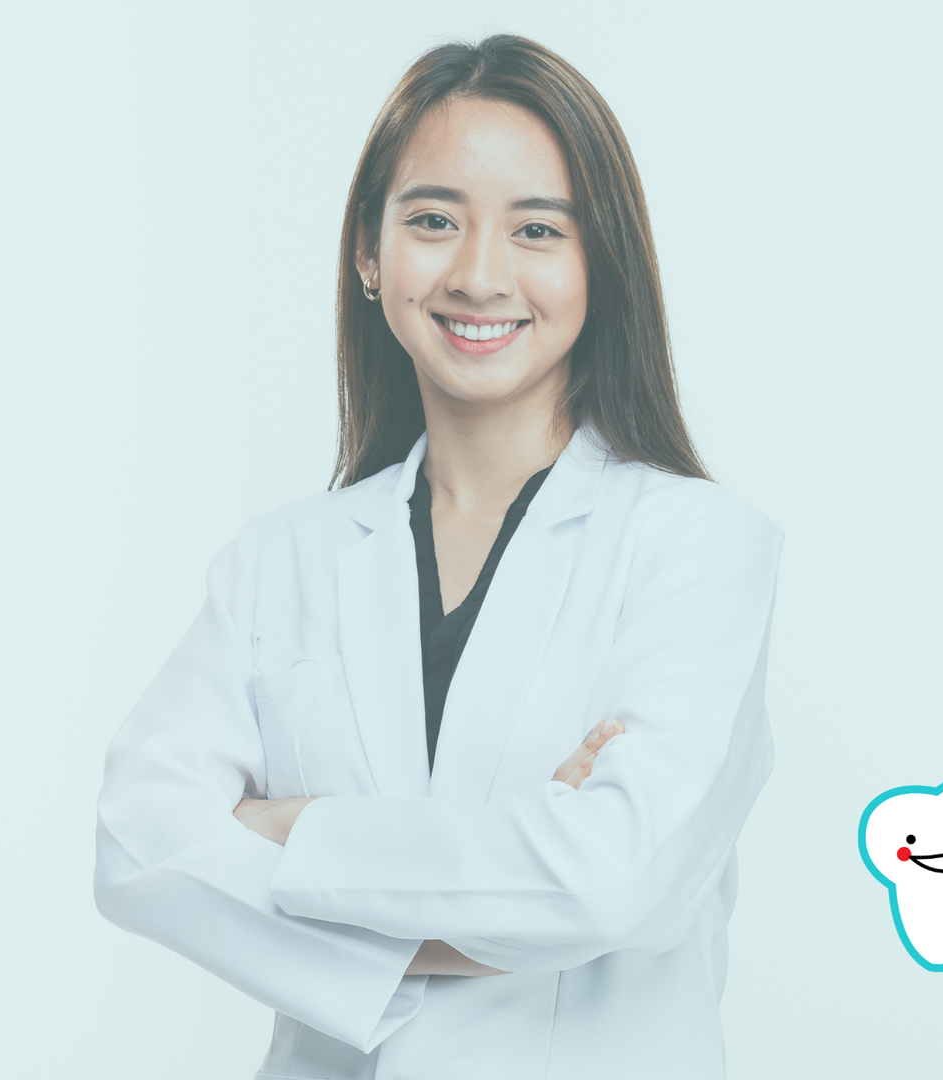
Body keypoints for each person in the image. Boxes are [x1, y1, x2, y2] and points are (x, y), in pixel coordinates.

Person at [93, 35, 783, 1079]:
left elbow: (614, 880)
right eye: (431, 221)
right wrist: (509, 882)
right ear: (369, 255)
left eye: (537, 229)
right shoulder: (281, 558)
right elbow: (137, 845)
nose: (477, 274)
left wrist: (292, 831)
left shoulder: (697, 546)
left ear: (601, 260)